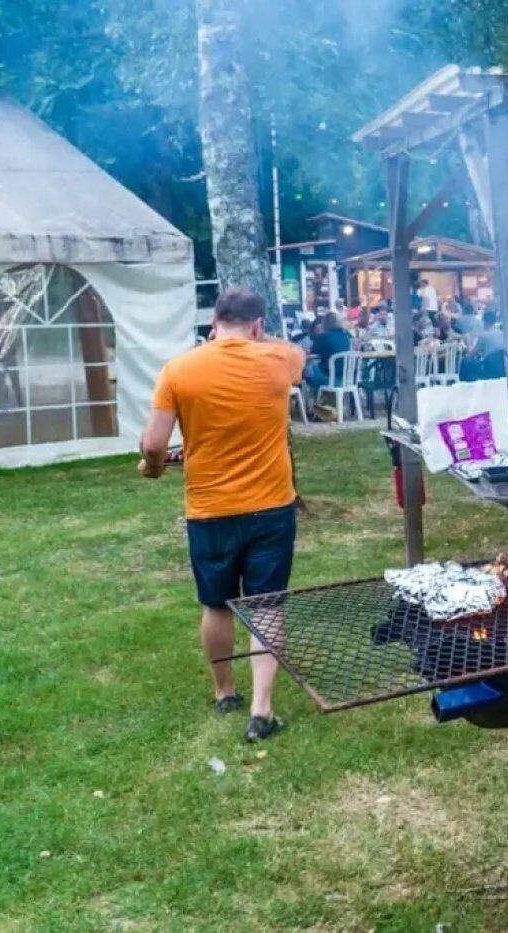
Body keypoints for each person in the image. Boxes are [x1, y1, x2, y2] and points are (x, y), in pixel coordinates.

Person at [137, 287, 304, 743]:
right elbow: (293, 354)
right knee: (266, 604)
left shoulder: (178, 369)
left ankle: (225, 692)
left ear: (214, 322)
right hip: (271, 505)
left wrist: (152, 467)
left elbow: (153, 444)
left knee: (216, 602)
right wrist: (259, 341)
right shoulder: (281, 360)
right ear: (256, 325)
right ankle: (262, 710)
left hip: (209, 508)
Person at [305, 311, 352, 399]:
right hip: (346, 378)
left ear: (325, 324)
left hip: (330, 377)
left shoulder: (323, 336)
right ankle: (324, 400)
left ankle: (316, 400)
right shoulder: (345, 335)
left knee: (313, 369)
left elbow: (313, 351)